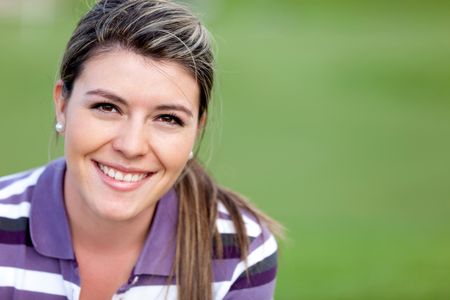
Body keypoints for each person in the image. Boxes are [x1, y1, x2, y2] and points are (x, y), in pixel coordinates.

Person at [0, 0, 282, 299]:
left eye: (167, 118)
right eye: (107, 107)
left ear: (196, 129)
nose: (131, 146)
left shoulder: (238, 250)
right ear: (62, 105)